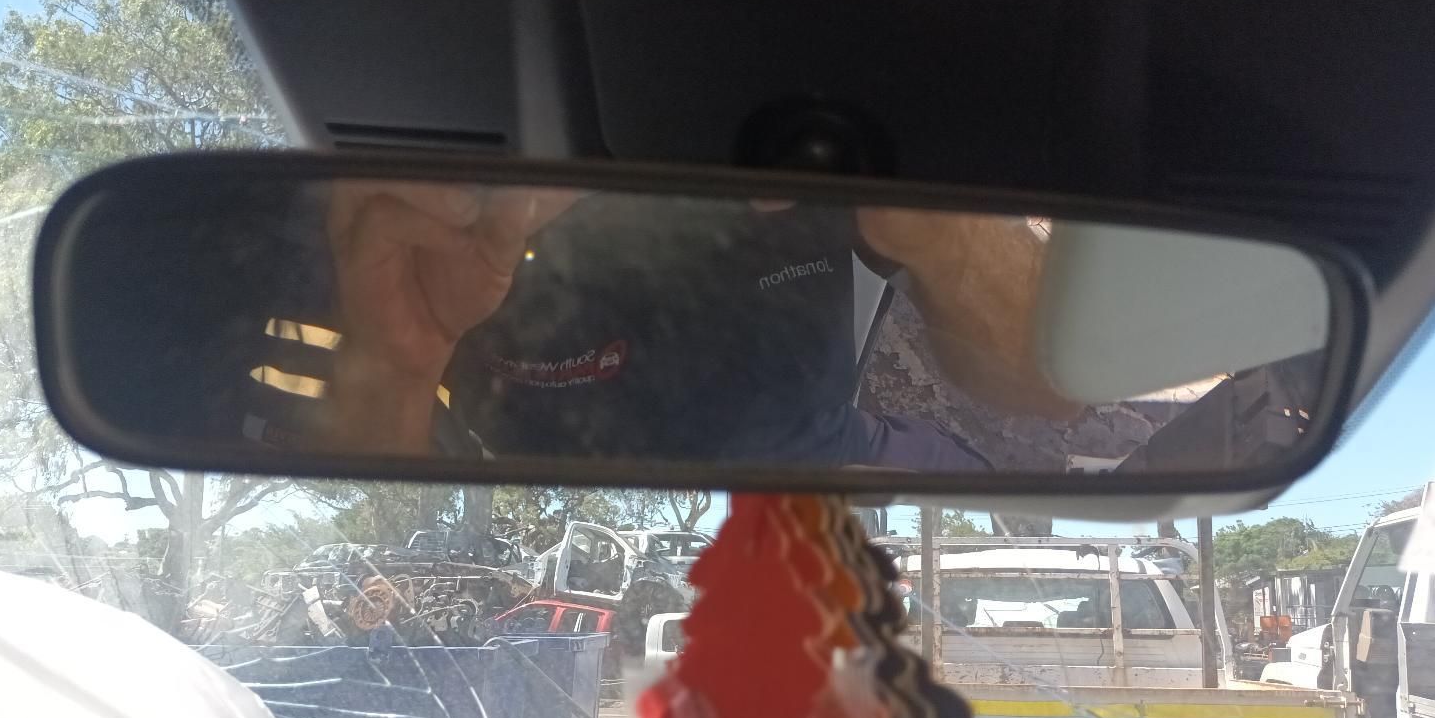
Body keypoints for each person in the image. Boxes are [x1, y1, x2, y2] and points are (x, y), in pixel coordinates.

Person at [316, 181, 1081, 468]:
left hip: (824, 463)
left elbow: (1059, 383)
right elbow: (377, 506)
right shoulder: (439, 209)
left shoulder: (821, 152)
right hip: (545, 492)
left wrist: (947, 227)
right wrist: (397, 361)